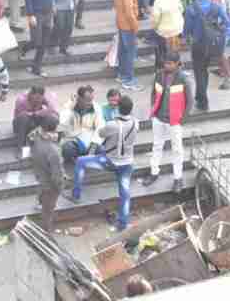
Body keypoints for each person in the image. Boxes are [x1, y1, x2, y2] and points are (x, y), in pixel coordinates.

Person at [68, 94, 139, 231]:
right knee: (125, 193)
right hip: (127, 163)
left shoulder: (112, 124)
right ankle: (123, 223)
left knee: (81, 162)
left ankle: (76, 195)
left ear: (118, 108)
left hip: (110, 161)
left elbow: (101, 133)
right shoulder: (136, 123)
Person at [143, 51, 193, 193]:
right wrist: (154, 108)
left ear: (177, 64)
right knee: (157, 145)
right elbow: (153, 93)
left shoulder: (183, 79)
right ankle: (154, 172)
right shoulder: (158, 75)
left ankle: (178, 178)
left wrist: (182, 118)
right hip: (158, 118)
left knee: (177, 150)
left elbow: (190, 101)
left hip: (174, 121)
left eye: (169, 63)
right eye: (165, 63)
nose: (166, 65)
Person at [29, 113, 65, 233]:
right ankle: (46, 231)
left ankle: (39, 201)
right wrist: (60, 186)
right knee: (48, 209)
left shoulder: (36, 136)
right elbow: (57, 174)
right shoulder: (53, 150)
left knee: (42, 190)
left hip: (39, 172)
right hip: (50, 182)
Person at [24, 0, 58, 76]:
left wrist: (53, 5)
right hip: (37, 14)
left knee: (44, 43)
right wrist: (30, 15)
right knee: (36, 41)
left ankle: (36, 67)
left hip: (48, 14)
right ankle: (25, 48)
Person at [114, 0, 142, 91]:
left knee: (123, 51)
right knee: (130, 53)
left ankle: (122, 75)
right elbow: (130, 13)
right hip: (128, 26)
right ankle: (129, 79)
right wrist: (135, 26)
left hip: (121, 24)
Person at [13, 85, 57, 152]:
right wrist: (35, 114)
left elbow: (52, 109)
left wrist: (36, 113)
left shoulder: (44, 97)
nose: (38, 100)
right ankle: (20, 147)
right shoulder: (21, 100)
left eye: (40, 98)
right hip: (21, 125)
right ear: (31, 94)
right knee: (24, 118)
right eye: (36, 98)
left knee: (52, 119)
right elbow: (21, 117)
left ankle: (41, 142)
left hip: (35, 121)